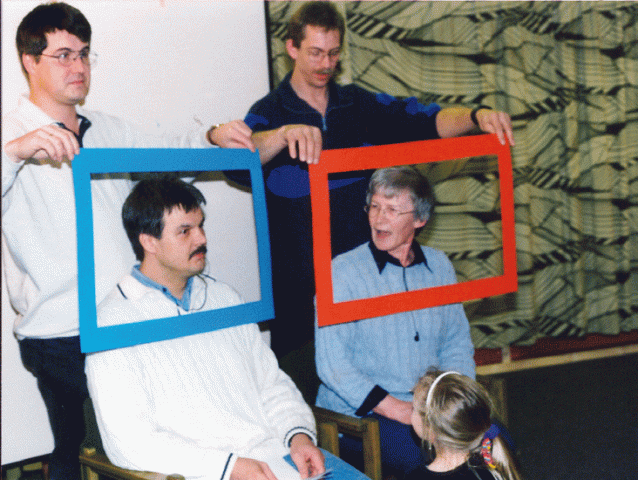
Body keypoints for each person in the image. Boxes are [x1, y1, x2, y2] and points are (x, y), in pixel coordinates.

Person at [1, 4, 253, 479]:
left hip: (129, 318)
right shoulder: (9, 136)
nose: (78, 66)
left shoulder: (107, 130)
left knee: (151, 444)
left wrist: (212, 134)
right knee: (87, 454)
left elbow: (169, 156)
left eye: (84, 54)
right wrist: (15, 152)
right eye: (63, 55)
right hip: (63, 335)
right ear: (29, 61)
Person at [239, 0, 515, 362]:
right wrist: (281, 136)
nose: (326, 64)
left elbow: (425, 120)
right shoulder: (268, 111)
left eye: (334, 53)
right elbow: (238, 162)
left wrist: (476, 116)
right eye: (316, 53)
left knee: (384, 376)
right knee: (305, 385)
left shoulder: (359, 104)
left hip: (368, 284)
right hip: (300, 293)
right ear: (292, 48)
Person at [85, 177, 369, 480]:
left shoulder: (225, 299)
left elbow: (271, 385)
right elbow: (130, 442)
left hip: (277, 459)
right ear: (149, 242)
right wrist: (229, 466)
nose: (201, 239)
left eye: (200, 226)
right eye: (185, 231)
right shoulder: (112, 322)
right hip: (204, 473)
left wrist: (298, 436)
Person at [315, 166, 476, 475]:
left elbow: (456, 343)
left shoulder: (440, 265)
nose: (378, 219)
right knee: (429, 460)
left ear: (419, 219)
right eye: (374, 206)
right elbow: (333, 366)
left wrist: (453, 401)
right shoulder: (341, 272)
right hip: (361, 417)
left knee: (495, 443)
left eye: (391, 210)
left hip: (430, 407)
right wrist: (401, 410)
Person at [408, 370, 521, 480]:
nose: (410, 411)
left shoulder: (416, 477)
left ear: (430, 429)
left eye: (414, 408)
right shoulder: (491, 467)